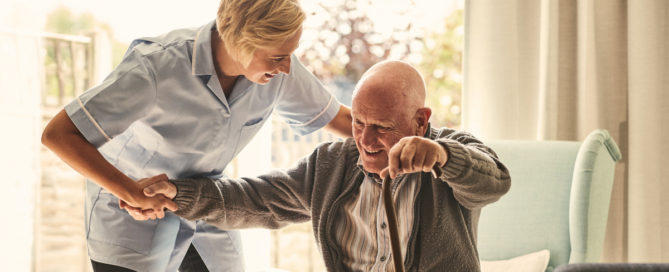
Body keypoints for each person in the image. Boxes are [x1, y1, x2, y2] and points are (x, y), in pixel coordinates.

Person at [40, 0, 354, 271]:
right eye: (277, 57)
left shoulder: (276, 66)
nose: (287, 67)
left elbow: (345, 120)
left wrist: (400, 142)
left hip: (207, 206)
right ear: (241, 40)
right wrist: (128, 191)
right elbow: (59, 134)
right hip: (133, 212)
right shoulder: (157, 66)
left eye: (290, 54)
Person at [132, 60, 512, 271]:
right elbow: (255, 199)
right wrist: (178, 194)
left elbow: (494, 182)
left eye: (382, 128)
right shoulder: (332, 164)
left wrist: (442, 157)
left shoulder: (450, 152)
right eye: (359, 123)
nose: (365, 140)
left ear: (420, 120)